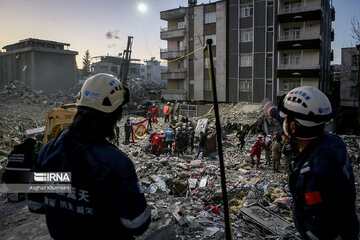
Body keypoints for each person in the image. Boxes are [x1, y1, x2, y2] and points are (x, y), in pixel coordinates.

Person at [27, 73, 151, 239]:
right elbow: (137, 223)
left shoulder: (48, 151)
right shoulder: (117, 164)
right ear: (116, 116)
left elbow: (35, 204)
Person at [262, 86, 359, 239]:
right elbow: (297, 123)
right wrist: (273, 111)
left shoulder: (312, 173)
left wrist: (300, 202)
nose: (283, 122)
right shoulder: (334, 142)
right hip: (348, 224)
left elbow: (318, 230)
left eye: (286, 119)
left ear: (293, 127)